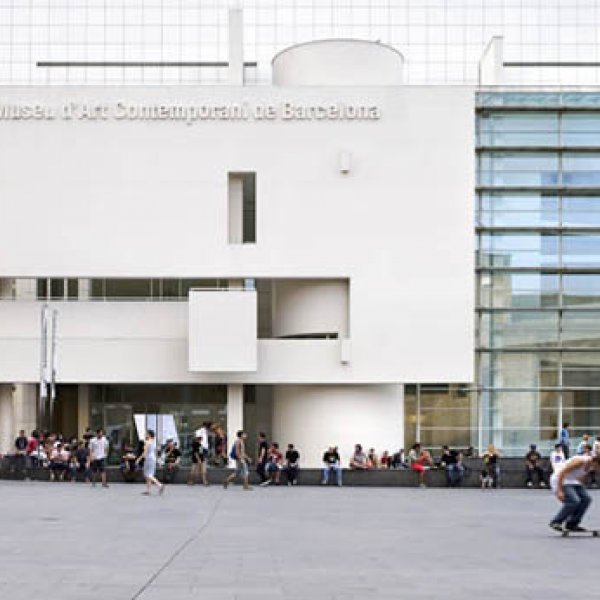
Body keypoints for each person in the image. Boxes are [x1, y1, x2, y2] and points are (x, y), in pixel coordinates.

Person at [549, 453, 600, 532]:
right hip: (560, 479)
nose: (598, 470)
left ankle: (572, 524)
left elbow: (580, 477)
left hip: (572, 480)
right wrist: (559, 491)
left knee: (586, 499)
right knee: (574, 501)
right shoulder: (580, 461)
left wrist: (581, 490)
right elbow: (562, 472)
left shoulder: (590, 466)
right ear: (595, 462)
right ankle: (556, 522)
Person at [136, 430, 164, 496]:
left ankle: (160, 485)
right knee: (149, 475)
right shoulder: (153, 442)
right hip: (153, 459)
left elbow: (145, 453)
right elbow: (156, 451)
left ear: (149, 435)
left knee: (148, 475)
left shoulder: (147, 442)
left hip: (148, 459)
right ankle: (148, 490)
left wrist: (139, 459)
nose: (145, 435)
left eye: (146, 434)